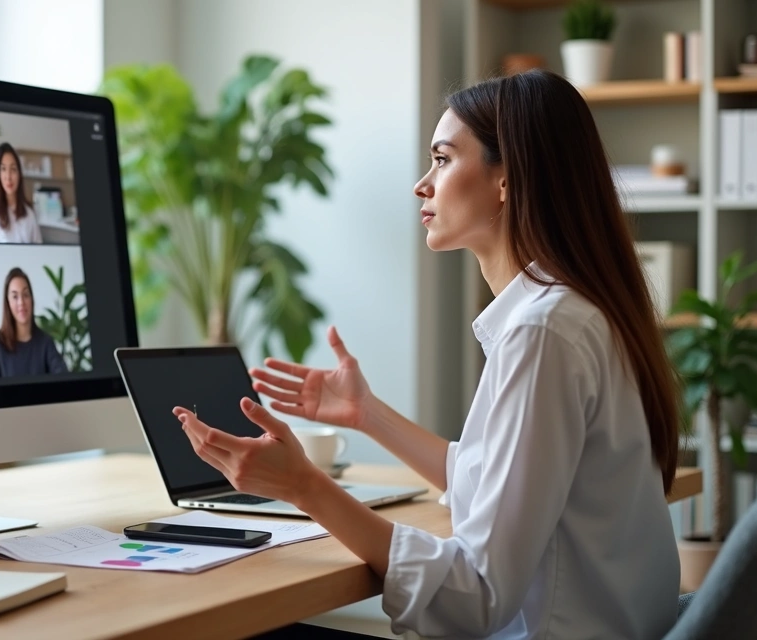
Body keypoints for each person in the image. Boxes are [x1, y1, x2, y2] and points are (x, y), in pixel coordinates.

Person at [175, 69, 683, 640]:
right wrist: (367, 414)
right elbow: (490, 477)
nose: (422, 184)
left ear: (506, 181)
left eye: (442, 159)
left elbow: (477, 596)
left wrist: (304, 487)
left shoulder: (543, 332)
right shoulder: (573, 314)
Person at [0, 267, 67, 377]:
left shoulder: (45, 342)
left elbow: (63, 377)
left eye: (26, 295)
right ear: (8, 302)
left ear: (32, 299)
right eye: (15, 296)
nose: (21, 302)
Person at [0, 142, 43, 244]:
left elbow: (39, 250)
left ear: (19, 174)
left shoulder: (29, 213)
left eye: (13, 169)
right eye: (3, 169)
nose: (8, 176)